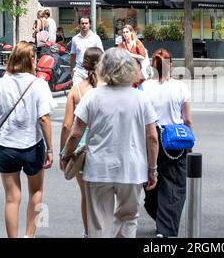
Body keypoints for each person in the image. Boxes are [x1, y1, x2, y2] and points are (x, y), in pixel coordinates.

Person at [61, 48, 159, 238]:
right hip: (132, 169)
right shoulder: (140, 98)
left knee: (99, 224)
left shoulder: (93, 96)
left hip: (98, 169)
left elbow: (75, 133)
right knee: (128, 218)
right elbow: (152, 138)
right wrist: (152, 169)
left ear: (104, 68)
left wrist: (66, 156)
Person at [0, 41, 56, 238]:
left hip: (6, 147)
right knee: (36, 191)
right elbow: (44, 118)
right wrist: (50, 148)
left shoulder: (1, 84)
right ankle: (29, 235)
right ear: (30, 59)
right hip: (32, 146)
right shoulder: (39, 84)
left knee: (12, 198)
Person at [142, 48, 193, 238]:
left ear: (153, 66)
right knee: (175, 185)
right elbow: (187, 120)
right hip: (175, 141)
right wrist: (190, 140)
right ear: (171, 65)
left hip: (151, 138)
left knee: (151, 182)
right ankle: (166, 229)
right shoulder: (181, 87)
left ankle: (161, 221)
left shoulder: (145, 87)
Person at [59, 47, 103, 238]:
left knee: (86, 195)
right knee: (104, 195)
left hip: (81, 151)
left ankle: (88, 233)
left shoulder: (76, 91)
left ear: (83, 63)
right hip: (103, 145)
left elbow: (67, 125)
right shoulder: (108, 88)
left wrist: (63, 153)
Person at [70, 16, 104, 85]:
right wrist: (71, 70)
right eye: (82, 23)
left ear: (89, 24)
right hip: (78, 71)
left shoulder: (96, 38)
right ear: (79, 25)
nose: (84, 25)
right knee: (78, 91)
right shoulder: (75, 39)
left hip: (92, 70)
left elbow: (101, 54)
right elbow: (73, 55)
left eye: (86, 23)